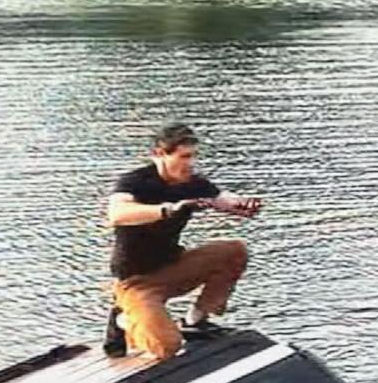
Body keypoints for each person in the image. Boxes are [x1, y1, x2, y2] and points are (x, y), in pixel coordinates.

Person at [103, 123, 263, 359]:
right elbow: (117, 213)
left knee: (234, 250)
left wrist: (242, 206)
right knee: (167, 347)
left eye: (193, 156)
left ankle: (195, 321)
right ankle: (123, 318)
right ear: (159, 154)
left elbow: (221, 199)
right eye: (183, 157)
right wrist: (166, 210)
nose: (190, 163)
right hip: (136, 281)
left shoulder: (192, 183)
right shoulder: (135, 182)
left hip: (173, 266)